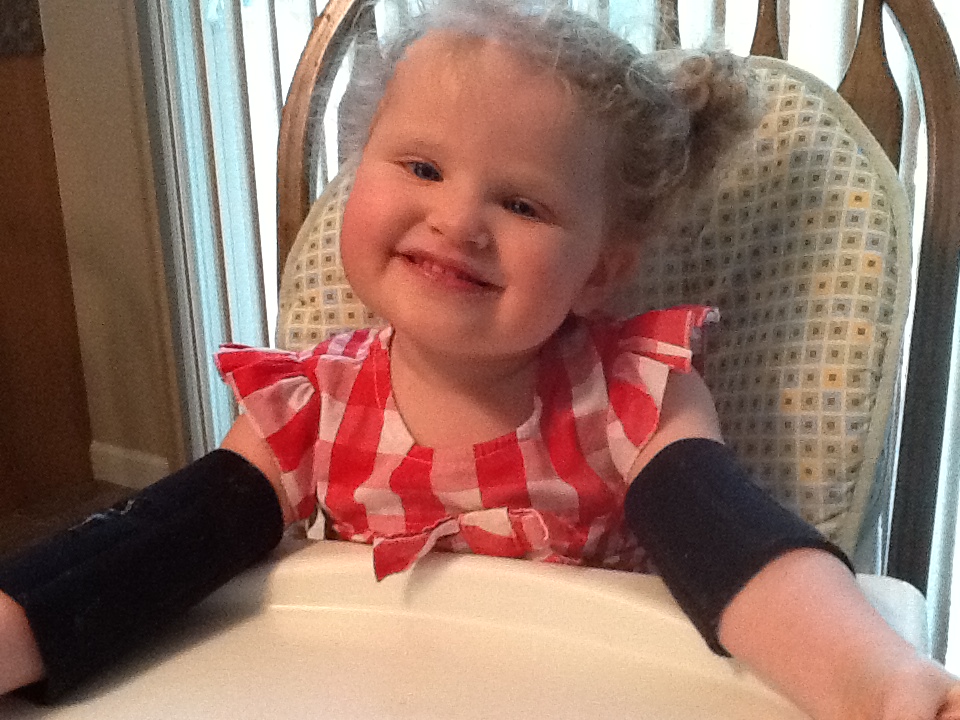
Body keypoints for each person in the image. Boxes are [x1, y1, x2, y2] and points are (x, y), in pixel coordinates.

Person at [1, 0, 958, 717]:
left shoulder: (634, 399)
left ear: (599, 270)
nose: (458, 219)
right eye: (421, 167)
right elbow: (155, 548)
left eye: (523, 204)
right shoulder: (309, 407)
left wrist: (877, 682)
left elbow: (739, 552)